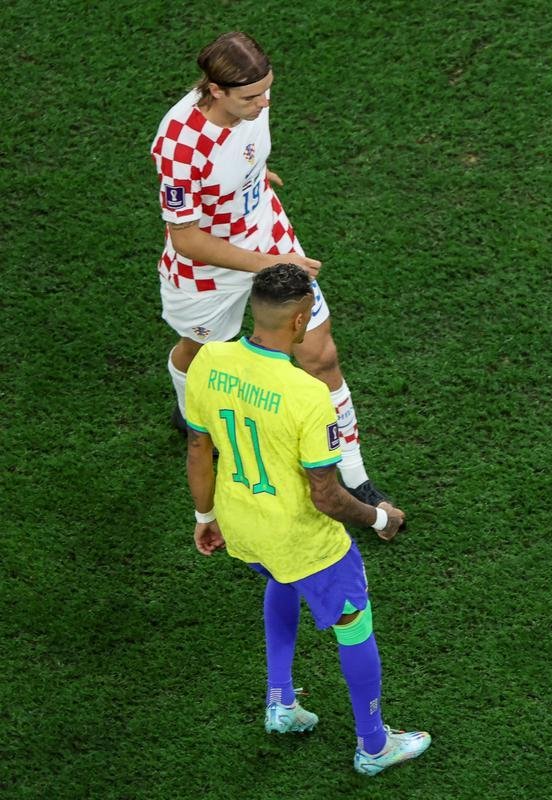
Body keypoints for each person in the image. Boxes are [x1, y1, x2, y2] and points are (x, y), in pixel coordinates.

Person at [185, 264, 430, 776]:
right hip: (301, 538)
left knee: (278, 578)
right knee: (353, 624)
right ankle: (374, 744)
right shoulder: (308, 396)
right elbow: (326, 496)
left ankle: (281, 702)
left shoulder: (209, 361)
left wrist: (205, 515)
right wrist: (378, 517)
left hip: (242, 525)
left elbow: (198, 446)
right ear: (300, 321)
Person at [153, 31, 389, 508]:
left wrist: (254, 175)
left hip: (269, 237)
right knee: (198, 352)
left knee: (320, 357)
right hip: (208, 271)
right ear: (215, 90)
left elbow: (242, 150)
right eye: (251, 97)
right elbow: (187, 238)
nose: (263, 103)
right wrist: (271, 263)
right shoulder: (178, 145)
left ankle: (354, 472)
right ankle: (187, 411)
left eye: (267, 91)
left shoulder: (252, 101)